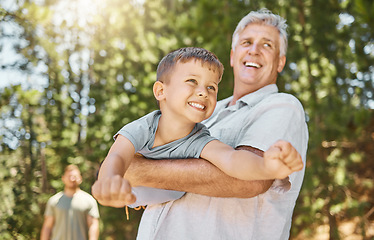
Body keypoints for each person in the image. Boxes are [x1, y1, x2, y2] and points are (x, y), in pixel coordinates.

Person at [123, 8, 309, 240]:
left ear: (280, 62)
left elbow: (250, 180)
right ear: (232, 56)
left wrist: (140, 170)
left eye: (267, 45)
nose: (254, 50)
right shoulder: (202, 110)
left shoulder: (282, 106)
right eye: (247, 42)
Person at [92, 47, 303, 210]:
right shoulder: (145, 127)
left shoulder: (198, 138)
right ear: (160, 91)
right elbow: (117, 157)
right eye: (192, 81)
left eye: (211, 87)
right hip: (136, 199)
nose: (203, 92)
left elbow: (232, 159)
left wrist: (268, 167)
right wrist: (109, 181)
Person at [40, 164, 100, 240]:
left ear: (80, 178)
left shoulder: (89, 200)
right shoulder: (54, 201)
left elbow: (93, 225)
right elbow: (47, 227)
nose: (72, 179)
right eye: (69, 176)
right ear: (63, 178)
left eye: (75, 176)